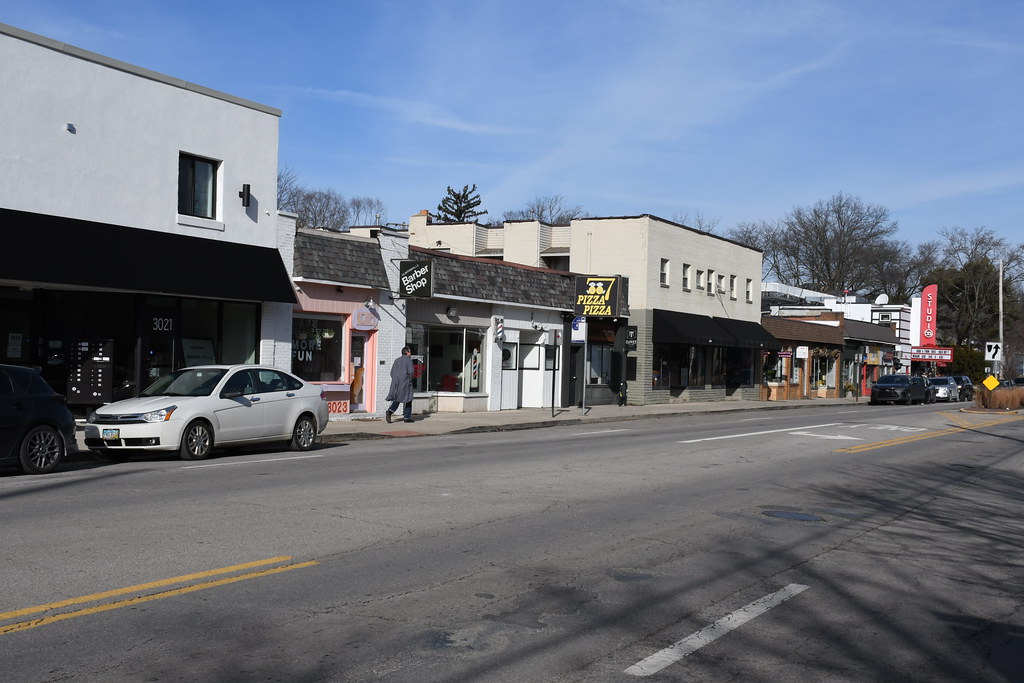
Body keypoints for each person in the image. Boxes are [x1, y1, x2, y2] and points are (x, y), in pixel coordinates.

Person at [385, 346, 415, 423]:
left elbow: (392, 373)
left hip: (396, 383)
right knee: (408, 399)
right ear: (407, 352)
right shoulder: (408, 361)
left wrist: (395, 379)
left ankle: (390, 411)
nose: (410, 353)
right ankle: (407, 417)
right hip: (406, 382)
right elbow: (411, 372)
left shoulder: (396, 360)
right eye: (410, 352)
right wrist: (410, 379)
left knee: (398, 398)